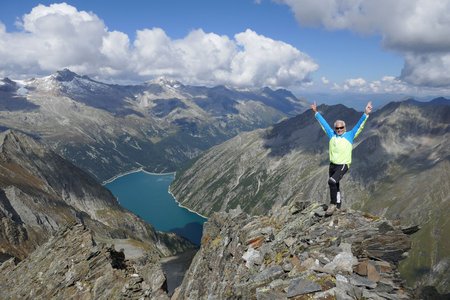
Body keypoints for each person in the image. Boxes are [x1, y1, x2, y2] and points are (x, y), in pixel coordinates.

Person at [310, 101, 372, 216]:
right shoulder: (331, 134)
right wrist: (316, 112)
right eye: (337, 128)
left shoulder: (350, 135)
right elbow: (324, 124)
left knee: (332, 181)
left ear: (345, 127)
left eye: (341, 127)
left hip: (343, 164)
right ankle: (338, 206)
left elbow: (359, 125)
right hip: (332, 165)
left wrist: (366, 113)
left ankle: (333, 204)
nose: (339, 130)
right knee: (336, 185)